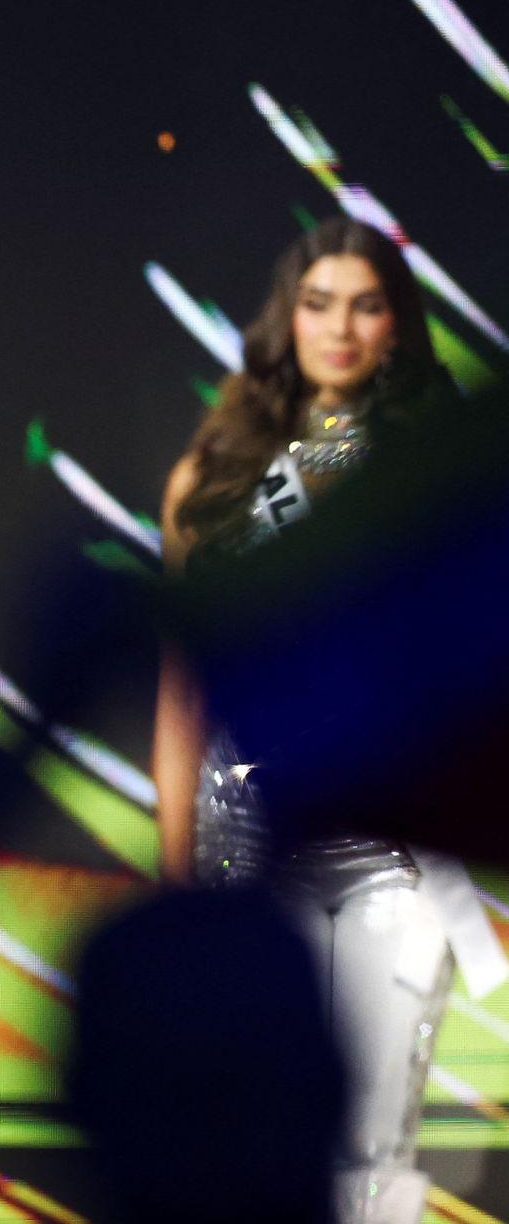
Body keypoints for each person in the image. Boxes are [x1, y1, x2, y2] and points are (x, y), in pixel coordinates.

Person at [151, 216, 501, 1224]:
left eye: (366, 303)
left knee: (373, 1140)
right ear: (286, 320)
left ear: (398, 321)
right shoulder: (207, 479)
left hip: (394, 848)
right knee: (254, 1138)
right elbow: (182, 693)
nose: (340, 327)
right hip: (246, 848)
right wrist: (176, 876)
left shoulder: (432, 467)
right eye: (318, 303)